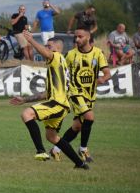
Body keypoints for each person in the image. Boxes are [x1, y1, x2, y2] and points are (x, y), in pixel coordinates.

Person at [10, 32, 89, 170]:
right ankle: (80, 163)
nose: (46, 48)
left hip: (57, 104)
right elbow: (46, 93)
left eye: (49, 46)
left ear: (57, 49)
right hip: (60, 105)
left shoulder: (57, 57)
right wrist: (25, 99)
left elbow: (47, 54)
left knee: (27, 114)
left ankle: (40, 151)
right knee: (52, 137)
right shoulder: (57, 67)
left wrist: (31, 41)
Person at [51, 28, 111, 162]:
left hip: (90, 95)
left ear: (88, 37)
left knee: (77, 127)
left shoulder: (98, 53)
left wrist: (102, 79)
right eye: (75, 37)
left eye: (80, 36)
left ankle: (56, 149)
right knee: (89, 117)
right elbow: (60, 71)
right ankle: (83, 149)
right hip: (74, 92)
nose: (77, 39)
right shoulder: (71, 54)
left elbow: (107, 73)